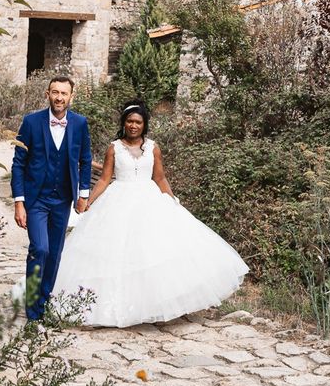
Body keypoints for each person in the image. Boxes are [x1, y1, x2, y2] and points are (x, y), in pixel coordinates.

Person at [52, 100, 249, 327]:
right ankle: (111, 307)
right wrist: (88, 201)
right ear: (124, 123)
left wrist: (171, 199)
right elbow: (105, 178)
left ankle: (149, 304)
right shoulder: (113, 148)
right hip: (118, 200)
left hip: (149, 199)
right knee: (115, 253)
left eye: (138, 122)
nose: (133, 125)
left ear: (144, 124)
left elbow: (160, 177)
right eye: (130, 121)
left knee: (152, 251)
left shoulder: (153, 147)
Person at [11, 75, 92, 321]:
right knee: (40, 248)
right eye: (54, 92)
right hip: (36, 199)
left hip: (63, 198)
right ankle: (32, 308)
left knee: (55, 252)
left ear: (71, 96)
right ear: (47, 94)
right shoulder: (31, 122)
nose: (59, 97)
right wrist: (19, 202)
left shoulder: (79, 124)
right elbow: (18, 164)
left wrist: (83, 195)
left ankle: (43, 302)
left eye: (63, 93)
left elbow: (85, 160)